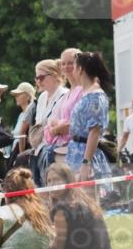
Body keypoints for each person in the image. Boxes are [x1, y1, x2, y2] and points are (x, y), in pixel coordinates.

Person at [44, 162, 118, 249]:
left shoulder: (61, 209)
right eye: (49, 181)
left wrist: (40, 248)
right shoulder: (86, 201)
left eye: (56, 180)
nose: (52, 185)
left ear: (68, 181)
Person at [66, 51, 113, 184]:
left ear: (80, 69)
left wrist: (86, 162)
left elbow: (94, 131)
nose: (72, 71)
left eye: (74, 67)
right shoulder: (87, 93)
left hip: (85, 154)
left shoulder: (95, 96)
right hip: (75, 152)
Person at [43, 48, 84, 169]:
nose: (66, 67)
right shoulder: (67, 94)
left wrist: (55, 129)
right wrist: (56, 128)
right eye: (63, 63)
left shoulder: (84, 90)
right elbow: (50, 124)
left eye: (70, 63)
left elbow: (76, 125)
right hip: (61, 150)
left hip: (77, 150)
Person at [30, 59, 69, 183]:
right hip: (41, 149)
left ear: (55, 76)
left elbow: (64, 126)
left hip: (58, 151)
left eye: (41, 77)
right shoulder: (42, 97)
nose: (38, 81)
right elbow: (39, 124)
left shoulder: (65, 95)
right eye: (36, 78)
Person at [10, 81, 36, 160]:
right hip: (15, 153)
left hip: (25, 155)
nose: (16, 97)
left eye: (19, 94)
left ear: (28, 96)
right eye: (15, 95)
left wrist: (22, 157)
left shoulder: (34, 114)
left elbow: (23, 134)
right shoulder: (21, 115)